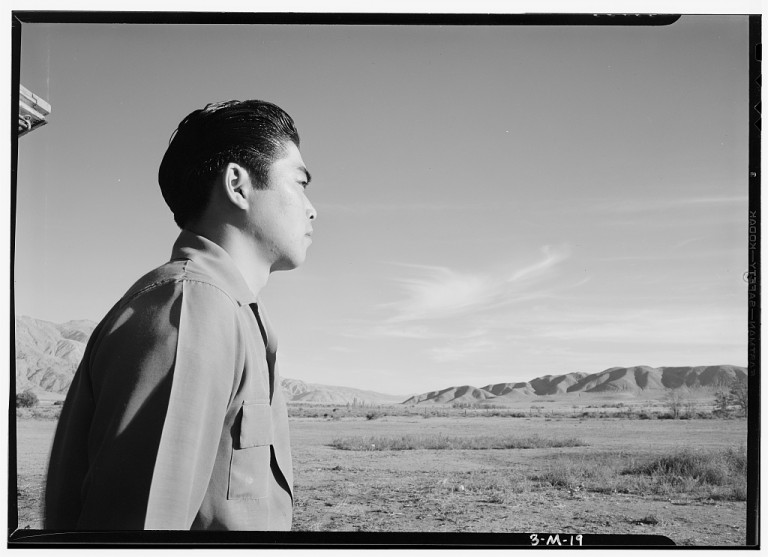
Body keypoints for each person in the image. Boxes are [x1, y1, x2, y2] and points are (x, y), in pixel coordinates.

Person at [44, 100, 316, 530]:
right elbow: (143, 528)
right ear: (237, 185)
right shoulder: (194, 307)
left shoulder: (227, 309)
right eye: (299, 183)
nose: (311, 207)